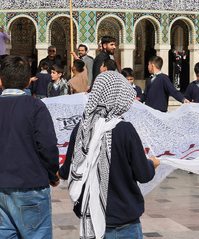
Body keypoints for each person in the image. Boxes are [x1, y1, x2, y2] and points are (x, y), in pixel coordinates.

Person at [0, 55, 60, 238]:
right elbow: (47, 145)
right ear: (28, 82)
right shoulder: (36, 107)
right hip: (30, 186)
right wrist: (53, 174)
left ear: (0, 81)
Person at [60, 71, 158, 238]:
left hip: (90, 220)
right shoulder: (125, 130)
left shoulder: (81, 129)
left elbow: (67, 170)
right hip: (124, 222)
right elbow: (143, 175)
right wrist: (152, 164)